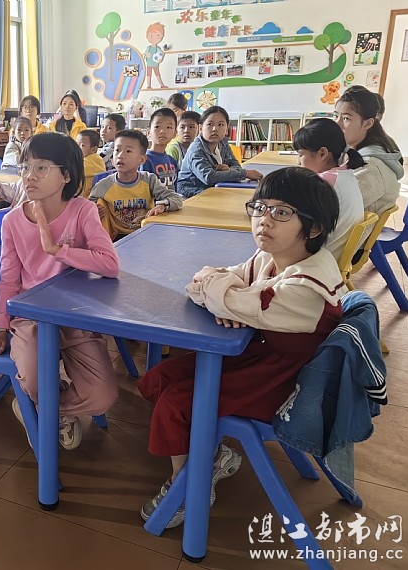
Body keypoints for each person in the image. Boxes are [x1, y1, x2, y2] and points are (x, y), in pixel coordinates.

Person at [138, 167, 347, 527]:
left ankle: (188, 484)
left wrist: (224, 298)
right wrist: (224, 295)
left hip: (291, 384)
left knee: (176, 403)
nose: (265, 220)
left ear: (313, 228)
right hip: (264, 354)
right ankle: (211, 456)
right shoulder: (272, 256)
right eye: (260, 207)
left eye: (281, 212)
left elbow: (221, 292)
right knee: (159, 377)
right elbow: (203, 280)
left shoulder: (305, 288)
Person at [0, 132, 120, 450]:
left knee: (103, 396)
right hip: (32, 318)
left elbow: (110, 264)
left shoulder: (82, 211)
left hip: (74, 314)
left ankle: (45, 411)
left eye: (41, 167)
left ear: (66, 175)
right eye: (26, 167)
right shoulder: (12, 221)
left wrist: (56, 249)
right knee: (34, 381)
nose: (29, 175)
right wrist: (0, 328)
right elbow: (8, 280)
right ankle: (50, 406)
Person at [89, 129, 183, 240]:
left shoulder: (149, 180)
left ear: (142, 159)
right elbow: (86, 207)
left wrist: (162, 205)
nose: (120, 155)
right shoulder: (104, 185)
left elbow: (176, 199)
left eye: (128, 151)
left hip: (147, 233)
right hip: (117, 238)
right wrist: (93, 210)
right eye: (117, 150)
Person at [293, 118, 365, 260]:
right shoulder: (345, 174)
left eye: (301, 155)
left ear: (322, 153)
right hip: (337, 254)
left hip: (321, 258)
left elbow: (300, 221)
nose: (298, 161)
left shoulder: (324, 182)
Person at [334, 88, 402, 213]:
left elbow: (332, 206)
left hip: (348, 225)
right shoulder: (351, 149)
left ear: (368, 124)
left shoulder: (371, 167)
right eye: (336, 116)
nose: (337, 124)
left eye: (346, 118)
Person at [176, 106, 263, 198]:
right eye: (210, 124)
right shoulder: (196, 149)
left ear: (226, 129)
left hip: (213, 187)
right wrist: (245, 173)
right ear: (200, 128)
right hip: (191, 191)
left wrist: (229, 170)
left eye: (220, 125)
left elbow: (236, 165)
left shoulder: (223, 143)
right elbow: (209, 177)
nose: (215, 129)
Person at [143, 108, 179, 189]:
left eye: (169, 127)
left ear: (175, 133)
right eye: (157, 126)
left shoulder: (172, 161)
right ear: (149, 132)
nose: (162, 131)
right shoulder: (144, 160)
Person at [76, 129, 106, 198]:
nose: (77, 148)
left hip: (86, 198)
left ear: (93, 150)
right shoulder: (97, 159)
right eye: (76, 144)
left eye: (82, 145)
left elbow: (74, 168)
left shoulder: (93, 160)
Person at [144, 22, 167, 89]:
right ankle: (148, 85)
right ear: (147, 36)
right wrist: (147, 55)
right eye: (151, 35)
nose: (154, 38)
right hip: (149, 63)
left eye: (157, 35)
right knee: (148, 75)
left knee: (157, 75)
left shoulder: (157, 48)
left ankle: (161, 85)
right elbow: (145, 54)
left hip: (155, 64)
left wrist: (160, 59)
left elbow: (162, 54)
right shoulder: (148, 48)